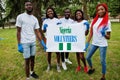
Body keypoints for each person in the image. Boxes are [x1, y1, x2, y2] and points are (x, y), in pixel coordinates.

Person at [16, 1, 47, 80]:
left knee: (33, 59)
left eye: (30, 5)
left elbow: (37, 31)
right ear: (25, 7)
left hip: (33, 42)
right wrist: (19, 44)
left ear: (32, 6)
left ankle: (32, 72)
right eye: (27, 5)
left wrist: (42, 42)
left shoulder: (34, 19)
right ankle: (27, 77)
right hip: (25, 43)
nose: (29, 6)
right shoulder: (20, 17)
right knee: (27, 60)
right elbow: (18, 31)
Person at [85, 3, 111, 80]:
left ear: (105, 10)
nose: (100, 11)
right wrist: (87, 43)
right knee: (88, 57)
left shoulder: (107, 22)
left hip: (103, 44)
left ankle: (103, 76)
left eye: (102, 9)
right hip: (94, 43)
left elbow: (109, 37)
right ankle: (92, 68)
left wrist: (104, 34)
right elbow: (91, 33)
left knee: (102, 61)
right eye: (98, 9)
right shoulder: (94, 20)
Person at [42, 7, 61, 72]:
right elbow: (43, 31)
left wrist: (60, 26)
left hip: (56, 39)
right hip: (48, 39)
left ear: (53, 12)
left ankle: (58, 65)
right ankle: (49, 65)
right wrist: (44, 28)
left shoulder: (57, 20)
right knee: (49, 53)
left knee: (58, 52)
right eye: (48, 12)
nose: (50, 12)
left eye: (51, 11)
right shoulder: (45, 21)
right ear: (47, 13)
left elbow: (61, 30)